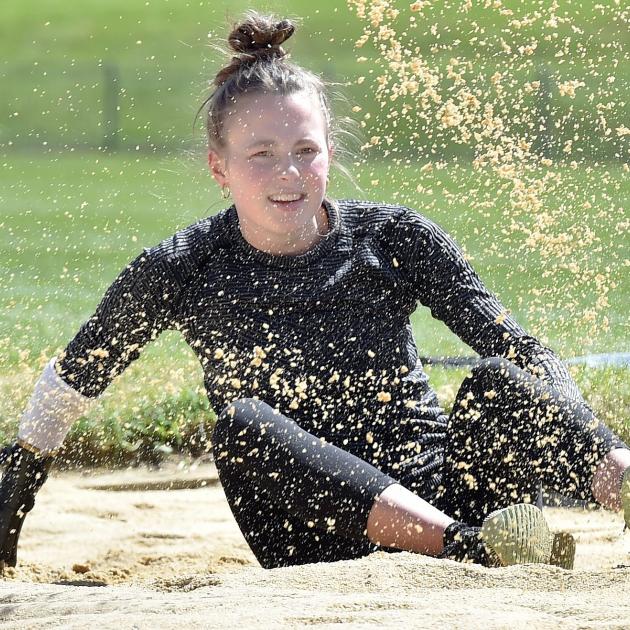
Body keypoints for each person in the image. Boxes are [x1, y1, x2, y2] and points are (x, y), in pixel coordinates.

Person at [1, 11, 629, 574]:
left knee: (501, 377)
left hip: (448, 486)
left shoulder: (394, 235)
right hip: (319, 530)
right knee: (241, 424)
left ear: (329, 152)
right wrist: (20, 475)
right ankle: (469, 547)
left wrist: (582, 428)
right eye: (262, 154)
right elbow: (80, 371)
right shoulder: (182, 266)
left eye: (306, 150)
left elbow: (516, 347)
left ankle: (619, 488)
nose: (289, 173)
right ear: (219, 168)